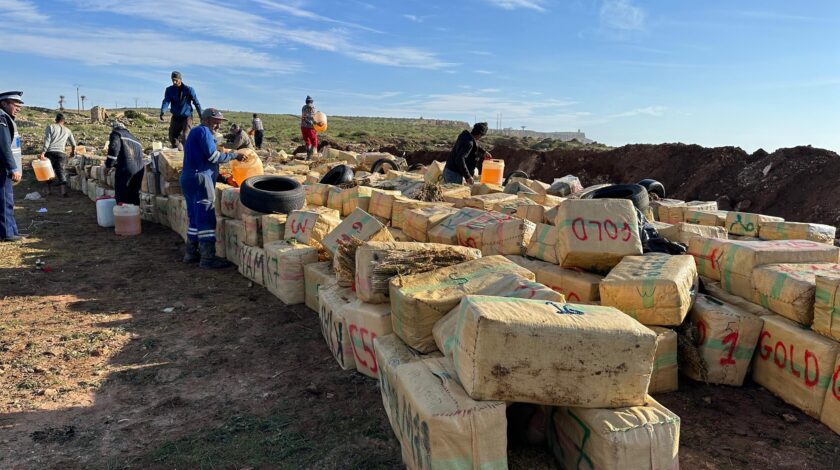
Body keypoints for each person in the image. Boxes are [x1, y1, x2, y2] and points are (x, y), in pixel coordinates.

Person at [181, 108, 246, 269]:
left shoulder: (195, 132)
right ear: (207, 120)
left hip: (188, 178)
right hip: (201, 179)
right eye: (216, 122)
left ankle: (191, 253)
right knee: (206, 216)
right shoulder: (204, 131)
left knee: (194, 216)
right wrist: (234, 155)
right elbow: (213, 156)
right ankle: (208, 258)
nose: (218, 126)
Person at [0, 90, 23, 242]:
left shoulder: (6, 117)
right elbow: (3, 146)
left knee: (8, 200)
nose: (18, 108)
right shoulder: (1, 118)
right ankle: (7, 233)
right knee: (4, 199)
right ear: (4, 103)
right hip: (3, 167)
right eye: (15, 104)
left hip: (5, 166)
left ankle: (12, 230)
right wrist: (13, 167)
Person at [105, 121, 145, 205]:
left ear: (114, 128)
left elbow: (114, 149)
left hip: (126, 169)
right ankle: (134, 213)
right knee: (134, 196)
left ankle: (122, 212)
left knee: (122, 196)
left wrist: (108, 165)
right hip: (139, 170)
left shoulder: (117, 134)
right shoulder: (136, 140)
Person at [160, 71, 202, 149]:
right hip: (176, 117)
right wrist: (163, 111)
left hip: (187, 117)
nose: (174, 82)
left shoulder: (188, 89)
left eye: (176, 80)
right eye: (173, 80)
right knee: (172, 138)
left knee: (186, 136)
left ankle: (188, 153)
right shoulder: (169, 90)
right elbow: (166, 101)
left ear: (180, 79)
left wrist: (201, 116)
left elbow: (196, 103)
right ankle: (179, 150)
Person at [39, 113, 76, 196]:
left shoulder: (50, 127)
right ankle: (63, 192)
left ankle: (49, 191)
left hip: (50, 153)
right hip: (61, 153)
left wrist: (43, 153)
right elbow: (73, 144)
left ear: (56, 120)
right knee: (61, 171)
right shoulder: (68, 130)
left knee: (48, 172)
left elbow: (47, 141)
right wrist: (73, 152)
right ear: (64, 121)